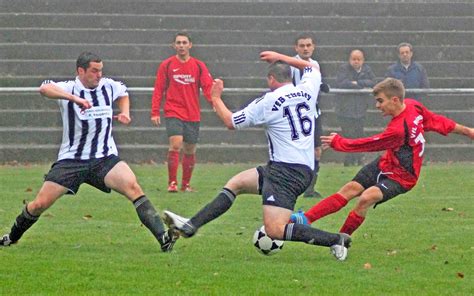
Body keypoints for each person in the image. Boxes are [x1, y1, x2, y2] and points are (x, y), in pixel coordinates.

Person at [163, 51, 352, 261]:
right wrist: (281, 57)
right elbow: (312, 68)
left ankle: (336, 239)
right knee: (237, 183)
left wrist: (215, 97)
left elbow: (230, 121)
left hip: (286, 173)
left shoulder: (269, 101)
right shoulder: (307, 90)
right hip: (293, 168)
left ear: (271, 79)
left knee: (275, 230)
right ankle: (190, 226)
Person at [0, 52, 177, 252]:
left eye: (100, 70)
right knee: (40, 204)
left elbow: (123, 93)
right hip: (72, 160)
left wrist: (125, 112)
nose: (99, 75)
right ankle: (11, 238)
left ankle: (164, 239)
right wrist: (73, 99)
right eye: (94, 71)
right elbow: (44, 88)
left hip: (104, 158)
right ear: (81, 71)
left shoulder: (108, 85)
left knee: (133, 187)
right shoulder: (69, 88)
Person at [290, 78, 474, 237]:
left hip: (403, 177)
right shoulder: (411, 105)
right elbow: (437, 121)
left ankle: (341, 239)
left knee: (365, 198)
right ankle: (306, 218)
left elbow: (370, 144)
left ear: (394, 100)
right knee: (350, 189)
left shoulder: (399, 128)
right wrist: (468, 131)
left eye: (380, 101)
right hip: (385, 163)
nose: (377, 105)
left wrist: (340, 143)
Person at [151, 32, 213, 193]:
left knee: (190, 149)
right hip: (173, 111)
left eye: (184, 42)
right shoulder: (167, 65)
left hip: (192, 113)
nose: (181, 46)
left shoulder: (199, 66)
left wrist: (215, 103)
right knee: (176, 144)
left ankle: (186, 184)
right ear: (174, 46)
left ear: (190, 45)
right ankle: (172, 183)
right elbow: (159, 88)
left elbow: (207, 87)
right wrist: (155, 111)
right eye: (178, 43)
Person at [290, 33, 328, 198]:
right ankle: (294, 185)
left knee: (317, 151)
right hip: (296, 115)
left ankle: (310, 188)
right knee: (296, 150)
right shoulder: (290, 65)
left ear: (313, 47)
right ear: (296, 48)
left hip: (313, 114)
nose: (305, 48)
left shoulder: (315, 64)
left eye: (308, 45)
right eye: (302, 46)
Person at [335, 49, 376, 166]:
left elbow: (373, 82)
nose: (356, 61)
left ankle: (358, 158)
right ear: (349, 60)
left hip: (360, 108)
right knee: (348, 135)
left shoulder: (367, 70)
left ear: (363, 60)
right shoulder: (343, 69)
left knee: (359, 135)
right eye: (354, 59)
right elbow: (341, 82)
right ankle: (349, 159)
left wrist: (357, 83)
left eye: (358, 59)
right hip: (345, 109)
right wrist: (356, 86)